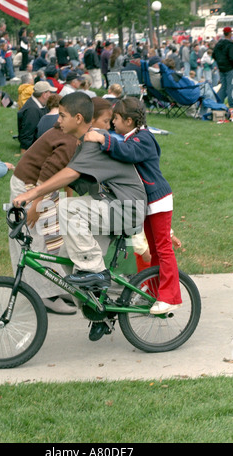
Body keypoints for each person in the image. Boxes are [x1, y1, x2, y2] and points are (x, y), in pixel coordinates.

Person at [13, 92, 147, 341]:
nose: (57, 120)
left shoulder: (94, 141)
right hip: (109, 209)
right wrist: (39, 199)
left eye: (62, 116)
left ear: (78, 117)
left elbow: (69, 175)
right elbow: (67, 180)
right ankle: (102, 311)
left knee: (68, 209)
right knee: (67, 260)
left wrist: (32, 194)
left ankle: (94, 271)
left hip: (126, 208)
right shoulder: (81, 144)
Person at [84, 97, 182, 315]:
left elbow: (127, 152)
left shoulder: (143, 138)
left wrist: (102, 139)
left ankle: (170, 296)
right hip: (148, 203)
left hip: (158, 200)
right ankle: (155, 293)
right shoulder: (132, 137)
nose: (112, 124)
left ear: (129, 121)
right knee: (155, 250)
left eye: (116, 119)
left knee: (163, 250)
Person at [9, 123, 78, 315]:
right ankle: (44, 295)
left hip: (44, 189)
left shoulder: (79, 137)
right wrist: (36, 205)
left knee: (53, 239)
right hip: (29, 188)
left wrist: (67, 201)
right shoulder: (70, 140)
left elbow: (68, 174)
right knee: (34, 242)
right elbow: (47, 172)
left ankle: (56, 287)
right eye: (105, 121)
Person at [17, 81, 57, 154]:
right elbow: (27, 133)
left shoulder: (38, 104)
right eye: (50, 92)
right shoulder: (32, 110)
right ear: (44, 94)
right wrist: (24, 150)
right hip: (36, 146)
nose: (52, 95)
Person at [213, 26, 233, 114]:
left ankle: (219, 102)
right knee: (231, 86)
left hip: (221, 67)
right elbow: (232, 57)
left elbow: (214, 55)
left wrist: (219, 63)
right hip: (229, 67)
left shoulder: (218, 44)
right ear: (229, 33)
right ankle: (231, 104)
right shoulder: (230, 45)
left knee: (223, 86)